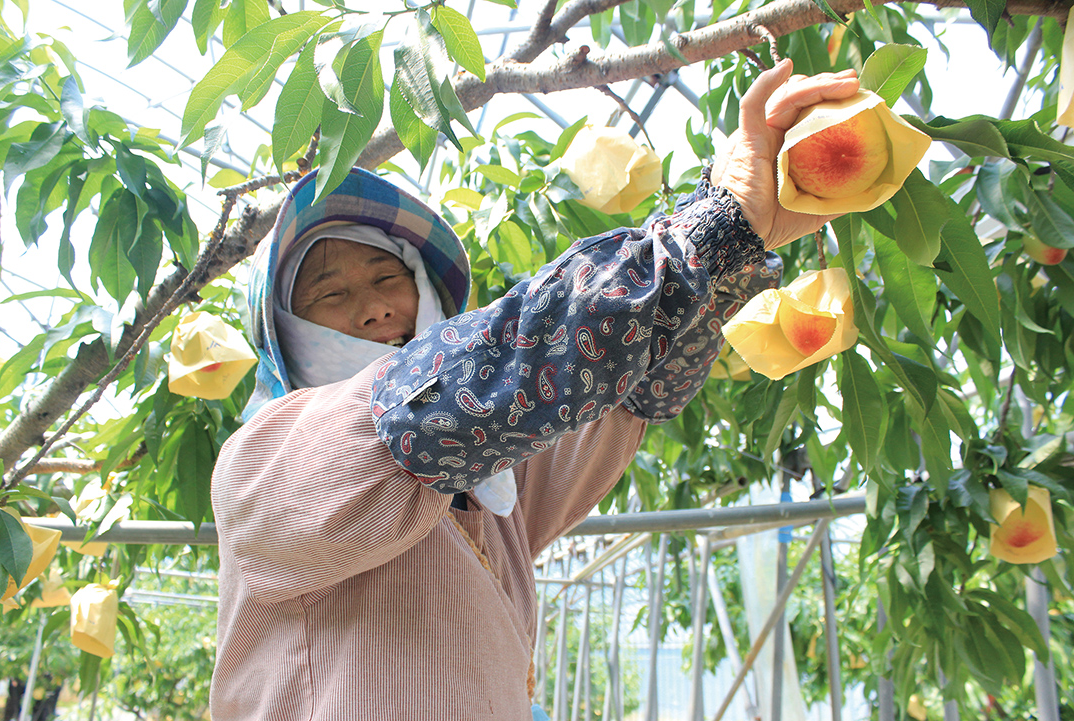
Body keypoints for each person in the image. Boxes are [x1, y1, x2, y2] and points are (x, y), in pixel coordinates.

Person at [209, 60, 860, 720]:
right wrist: (710, 224)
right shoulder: (262, 465)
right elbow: (460, 388)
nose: (375, 307)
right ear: (284, 336)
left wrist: (732, 249)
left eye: (388, 277)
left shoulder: (489, 490)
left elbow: (625, 389)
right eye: (331, 293)